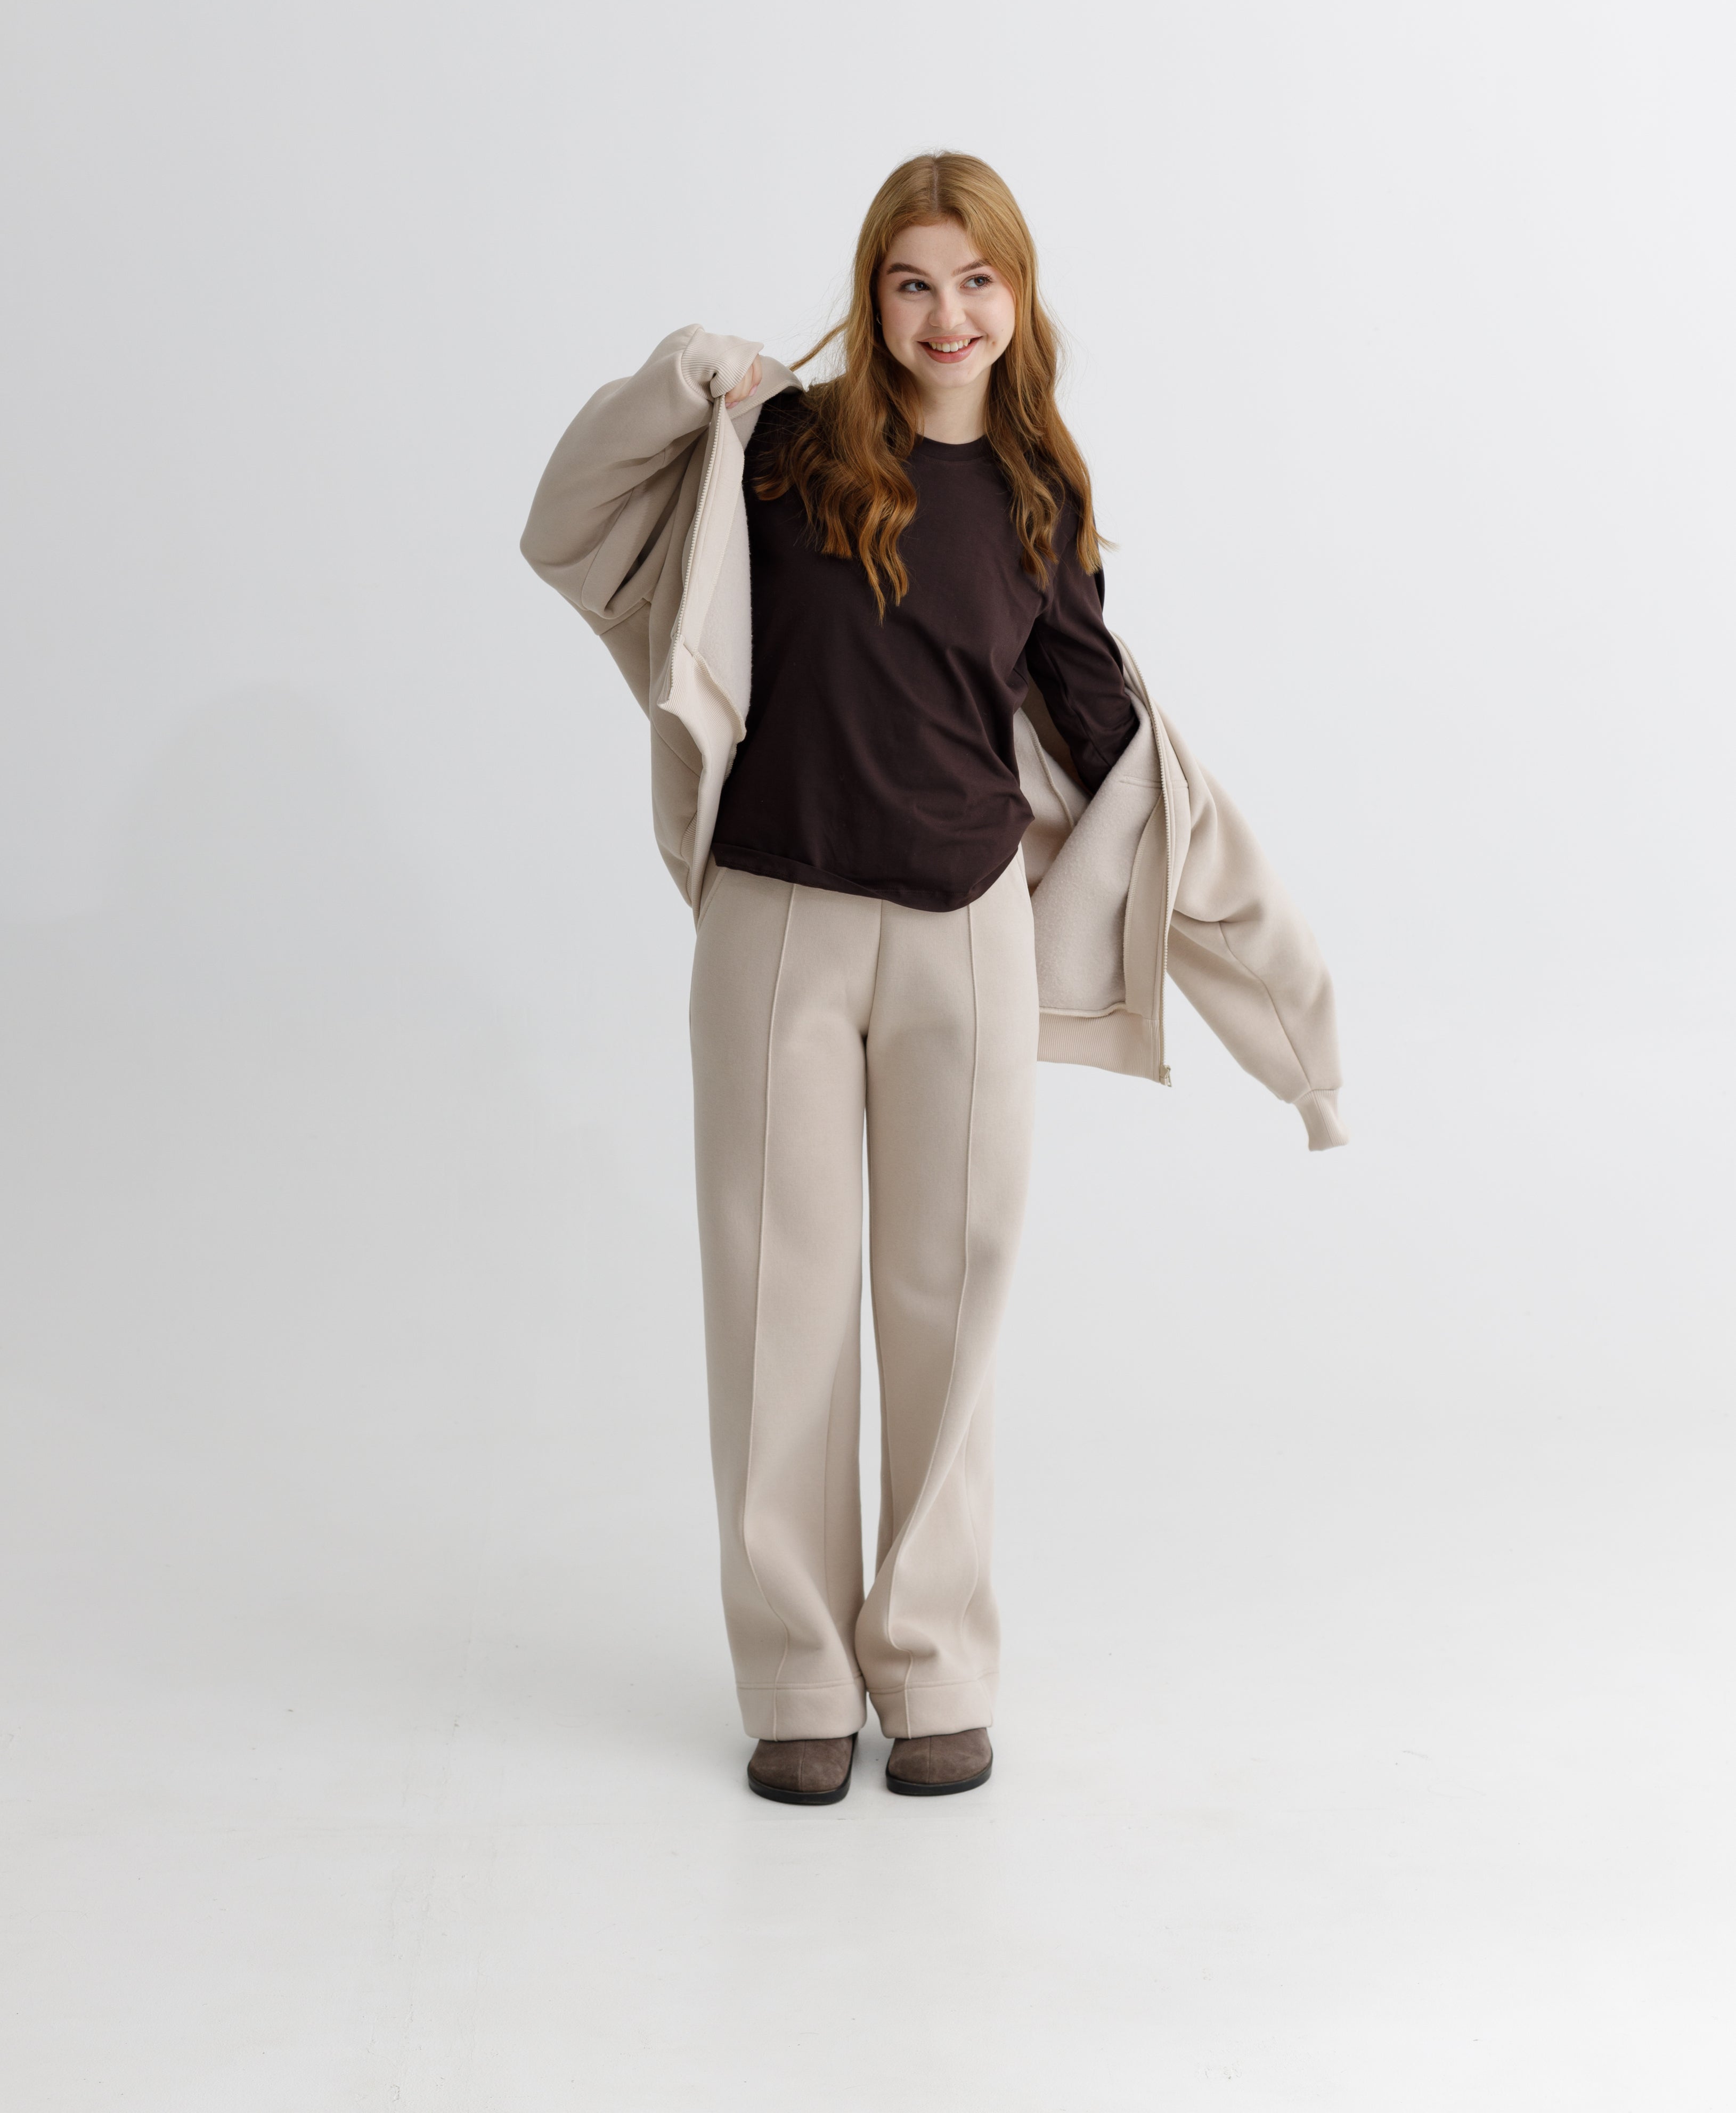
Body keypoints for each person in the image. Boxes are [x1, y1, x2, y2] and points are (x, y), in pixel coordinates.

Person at [521, 152, 1346, 1807]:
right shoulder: (784, 448)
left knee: (946, 1305)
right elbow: (564, 529)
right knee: (777, 1305)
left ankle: (933, 1666)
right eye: (911, 282)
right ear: (871, 296)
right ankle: (795, 1678)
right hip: (775, 923)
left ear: (1018, 299)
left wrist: (1286, 1007)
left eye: (976, 281)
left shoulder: (1039, 496)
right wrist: (681, 374)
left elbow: (1117, 746)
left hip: (965, 932)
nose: (945, 314)